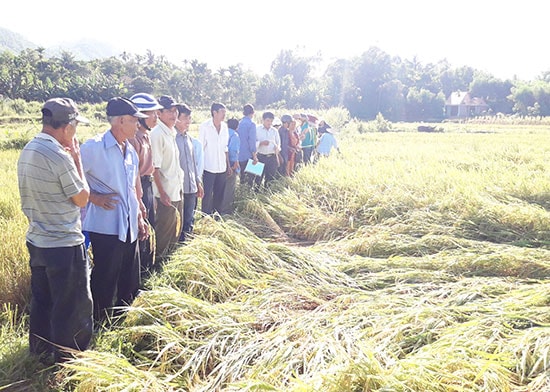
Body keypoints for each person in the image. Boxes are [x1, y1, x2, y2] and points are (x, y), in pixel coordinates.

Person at [18, 98, 92, 363]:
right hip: (63, 243)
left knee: (42, 300)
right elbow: (82, 198)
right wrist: (78, 159)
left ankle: (39, 353)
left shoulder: (29, 148)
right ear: (67, 126)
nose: (76, 132)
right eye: (75, 125)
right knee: (70, 305)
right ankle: (67, 359)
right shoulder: (60, 156)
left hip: (37, 240)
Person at [80, 97, 149, 324]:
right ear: (120, 121)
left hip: (128, 224)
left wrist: (139, 214)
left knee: (128, 276)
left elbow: (131, 188)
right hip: (106, 225)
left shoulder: (130, 151)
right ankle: (99, 320)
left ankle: (121, 318)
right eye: (134, 121)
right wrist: (94, 197)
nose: (138, 125)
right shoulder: (93, 147)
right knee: (105, 276)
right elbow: (71, 179)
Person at [128, 92, 163, 277]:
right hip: (138, 186)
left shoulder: (146, 136)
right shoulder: (133, 139)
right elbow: (133, 175)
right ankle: (139, 273)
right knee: (141, 229)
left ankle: (147, 267)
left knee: (149, 226)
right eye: (153, 113)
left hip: (147, 186)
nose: (156, 117)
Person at [150, 95, 185, 259]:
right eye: (169, 111)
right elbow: (154, 168)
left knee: (175, 231)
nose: (174, 114)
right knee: (163, 233)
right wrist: (162, 193)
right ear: (159, 113)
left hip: (175, 190)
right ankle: (157, 266)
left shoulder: (171, 132)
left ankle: (168, 264)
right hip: (165, 195)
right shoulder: (157, 134)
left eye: (175, 111)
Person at [174, 103, 204, 241]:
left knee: (189, 219)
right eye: (185, 117)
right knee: (177, 222)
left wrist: (198, 182)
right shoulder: (172, 138)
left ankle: (187, 243)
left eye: (190, 118)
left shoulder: (189, 139)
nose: (188, 121)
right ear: (176, 117)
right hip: (177, 189)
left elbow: (192, 164)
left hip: (191, 186)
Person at [199, 102, 230, 215]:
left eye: (225, 112)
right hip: (209, 167)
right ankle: (205, 218)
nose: (224, 115)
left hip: (221, 167)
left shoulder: (225, 127)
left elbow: (225, 148)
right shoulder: (205, 126)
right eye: (222, 112)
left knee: (219, 194)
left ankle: (217, 216)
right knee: (207, 195)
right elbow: (200, 148)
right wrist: (199, 169)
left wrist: (228, 165)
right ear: (214, 112)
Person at [255, 111, 280, 187]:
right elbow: (252, 143)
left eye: (271, 121)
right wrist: (261, 143)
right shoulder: (257, 129)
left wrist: (277, 148)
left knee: (270, 179)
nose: (269, 123)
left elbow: (278, 143)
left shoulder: (274, 131)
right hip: (260, 157)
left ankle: (267, 194)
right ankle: (256, 194)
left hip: (272, 157)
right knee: (257, 178)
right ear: (263, 120)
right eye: (268, 120)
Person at [221, 118, 240, 214]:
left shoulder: (223, 133)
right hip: (231, 163)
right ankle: (226, 211)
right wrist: (235, 163)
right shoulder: (235, 135)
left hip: (221, 163)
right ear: (237, 127)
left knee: (221, 187)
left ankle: (217, 209)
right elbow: (233, 151)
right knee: (229, 188)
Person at [237, 104, 258, 186]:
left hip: (239, 154)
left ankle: (241, 192)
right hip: (248, 154)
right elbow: (252, 141)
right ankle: (248, 195)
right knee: (250, 178)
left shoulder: (239, 123)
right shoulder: (251, 124)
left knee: (242, 177)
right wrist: (254, 156)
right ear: (253, 112)